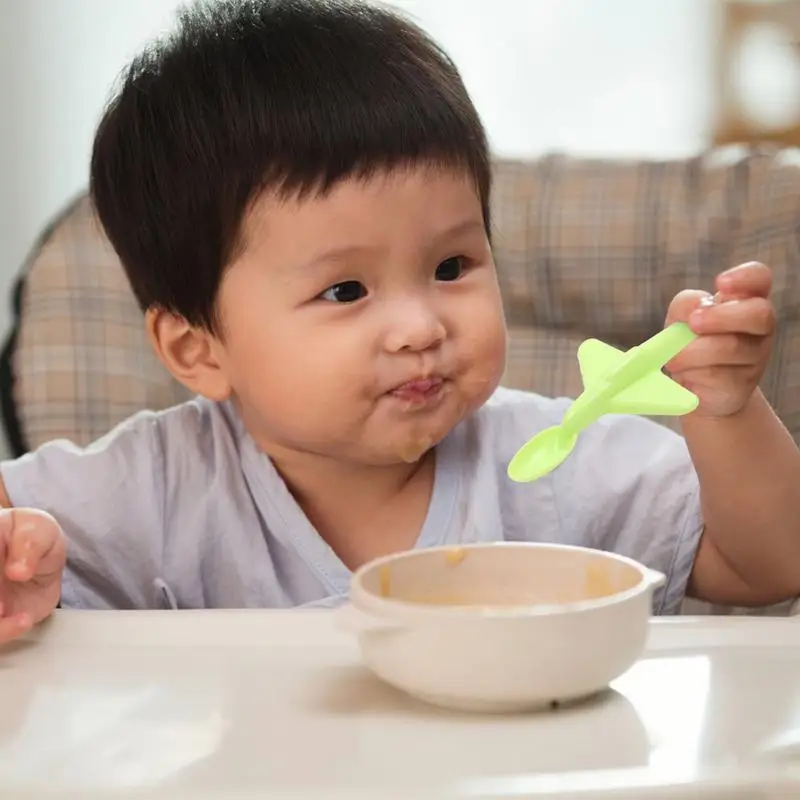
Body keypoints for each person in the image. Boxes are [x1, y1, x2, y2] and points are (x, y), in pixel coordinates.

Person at [1, 0, 798, 645]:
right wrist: (18, 562)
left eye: (452, 268)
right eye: (346, 291)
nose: (420, 326)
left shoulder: (558, 467)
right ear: (197, 348)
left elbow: (772, 565)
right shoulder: (157, 490)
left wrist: (727, 414)